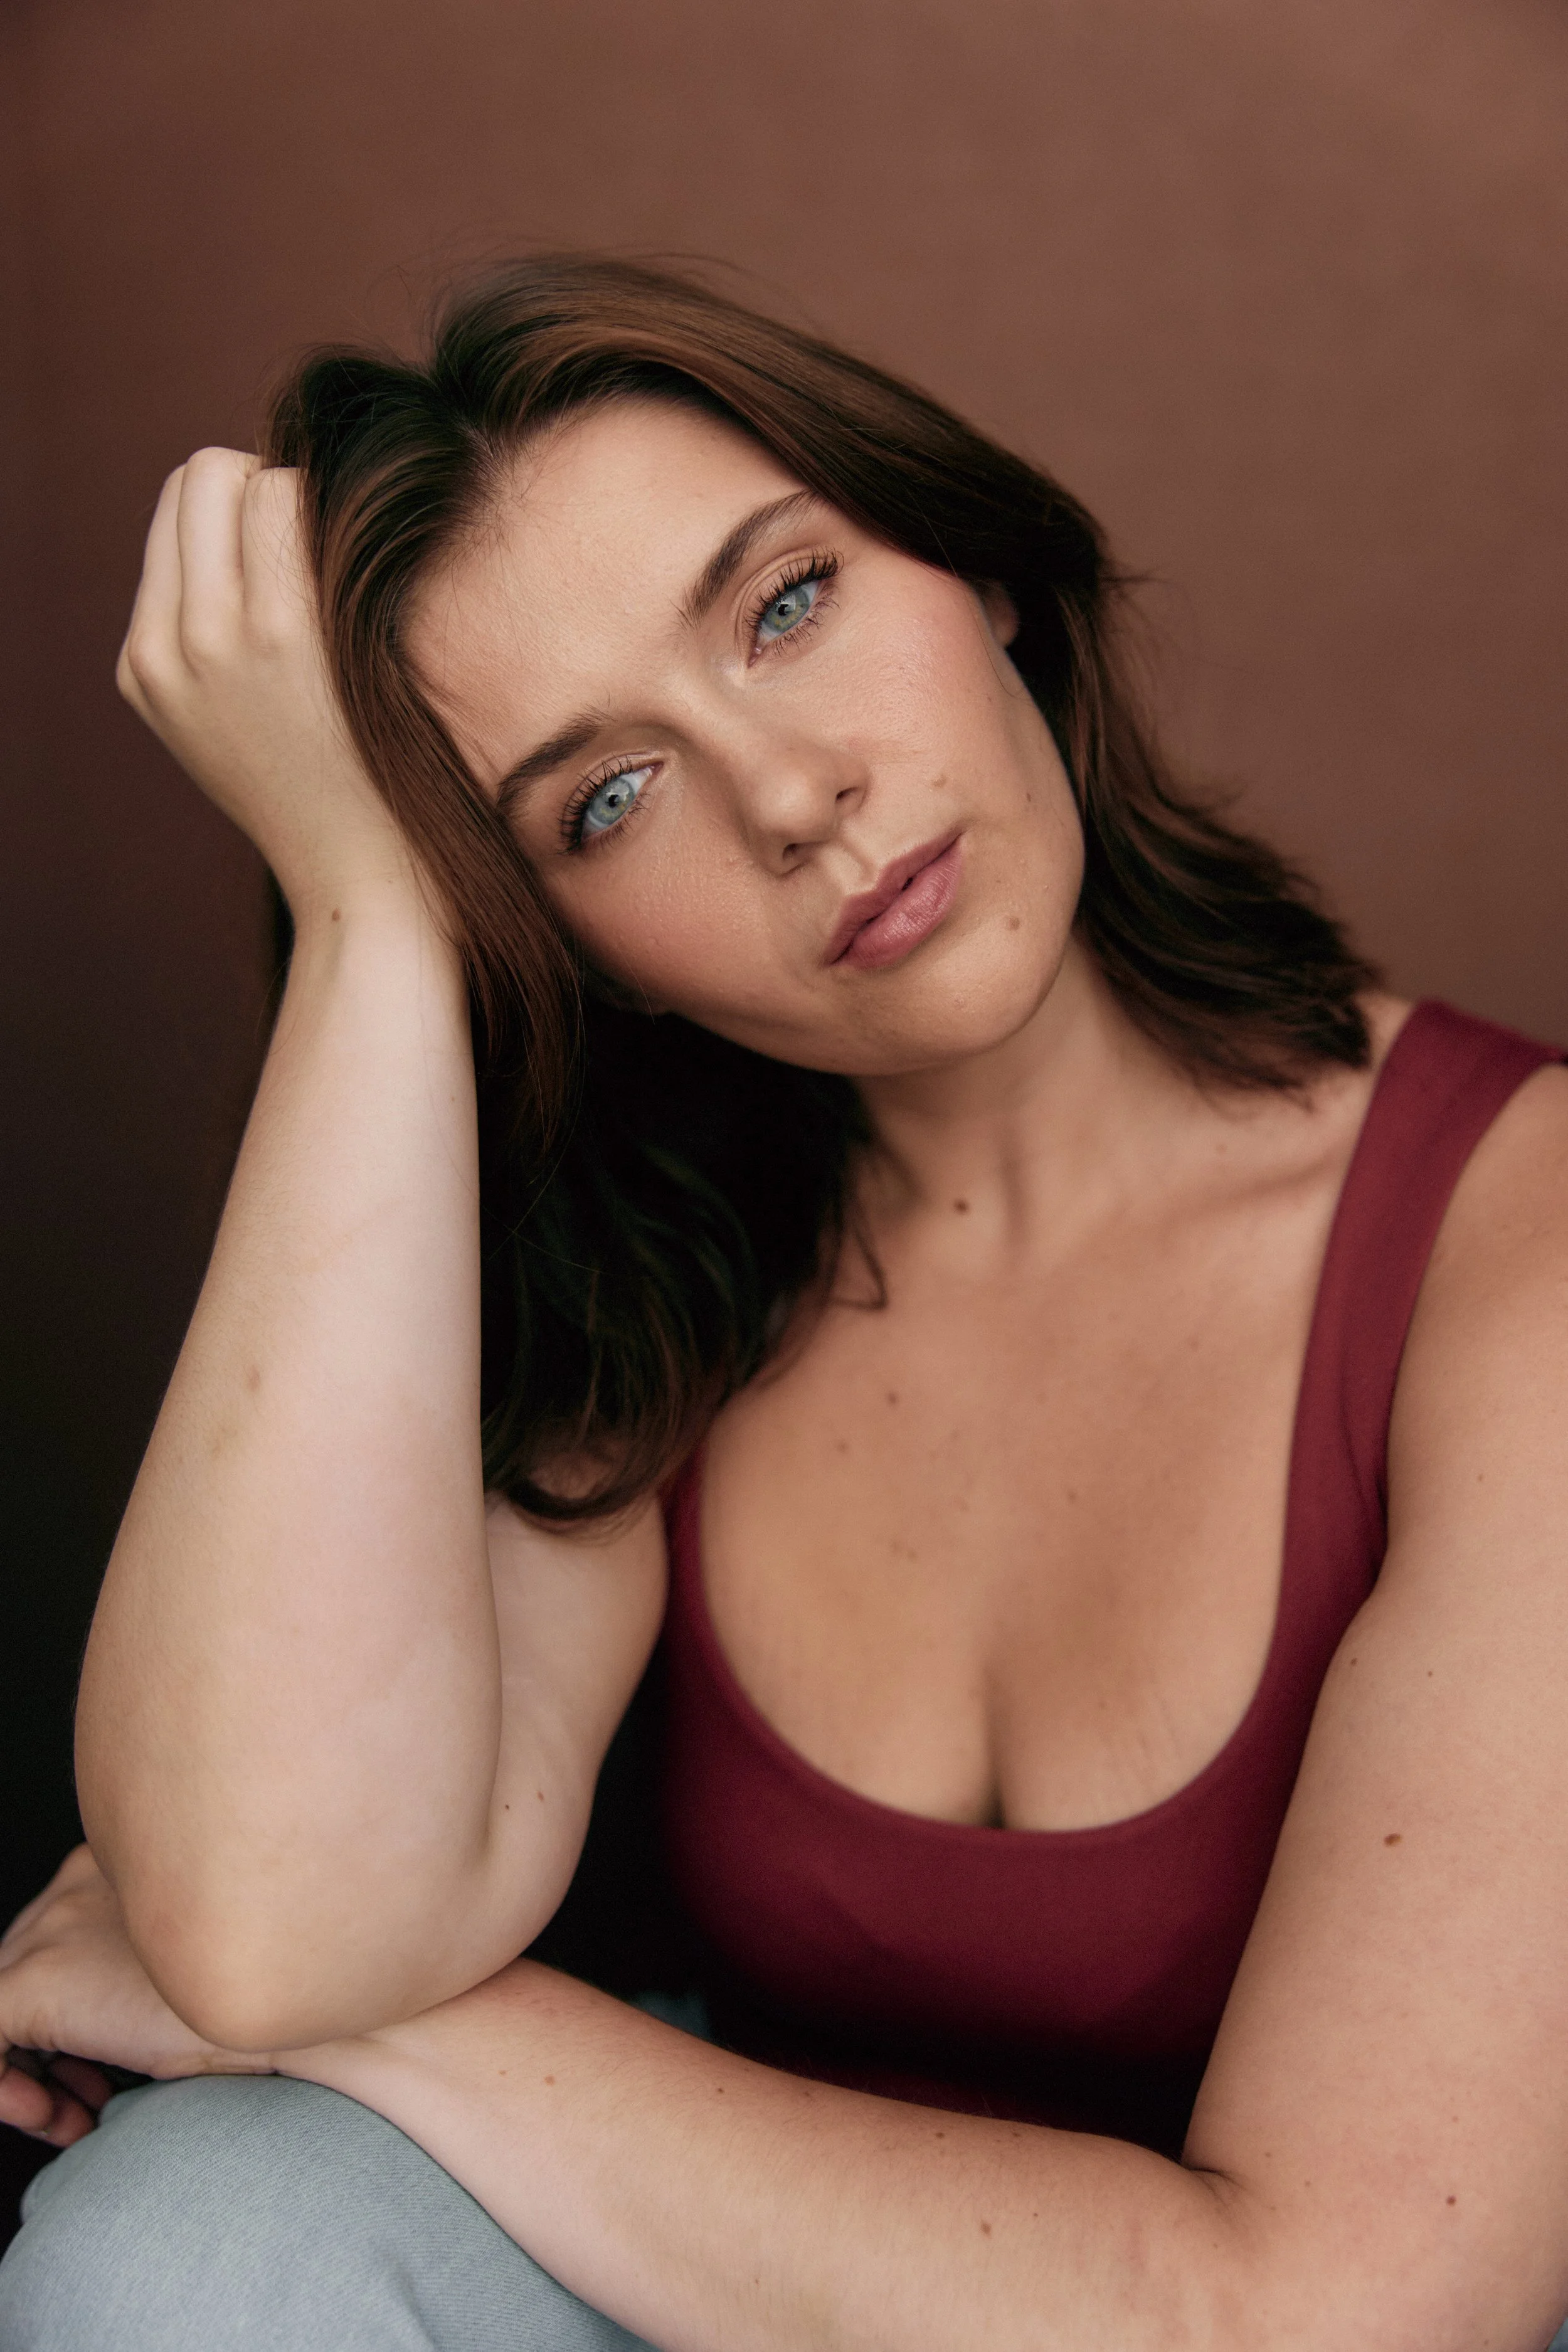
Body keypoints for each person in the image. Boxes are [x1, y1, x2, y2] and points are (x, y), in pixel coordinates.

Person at [1, 255, 1567, 2352]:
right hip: (766, 2294)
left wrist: (415, 2041)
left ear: (978, 563)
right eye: (605, 800)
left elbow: (1344, 2315)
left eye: (784, 603)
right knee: (187, 2248)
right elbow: (273, 1915)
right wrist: (379, 913)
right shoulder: (667, 1279)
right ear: (573, 943)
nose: (794, 794)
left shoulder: (1515, 1236)